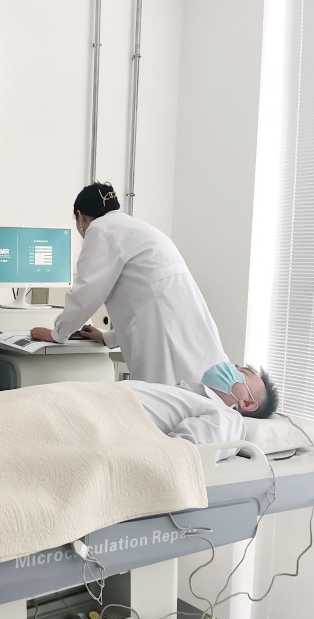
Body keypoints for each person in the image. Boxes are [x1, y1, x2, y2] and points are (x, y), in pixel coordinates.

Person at [31, 182, 228, 385]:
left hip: (159, 327)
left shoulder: (100, 229)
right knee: (197, 390)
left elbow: (87, 293)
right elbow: (145, 296)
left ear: (80, 217)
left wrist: (58, 333)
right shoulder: (138, 229)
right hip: (188, 320)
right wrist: (107, 338)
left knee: (159, 394)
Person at [127, 364, 279, 446]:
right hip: (116, 398)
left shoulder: (228, 418)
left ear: (247, 403)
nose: (231, 367)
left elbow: (180, 451)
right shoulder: (196, 396)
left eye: (242, 373)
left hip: (118, 411)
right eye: (236, 367)